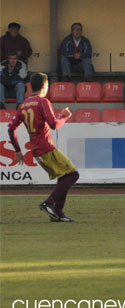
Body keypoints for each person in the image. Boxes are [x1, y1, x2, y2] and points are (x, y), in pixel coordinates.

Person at [7, 72, 79, 222]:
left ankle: (58, 213)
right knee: (73, 175)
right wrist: (64, 116)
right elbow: (54, 125)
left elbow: (10, 128)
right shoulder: (43, 102)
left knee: (64, 176)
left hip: (35, 149)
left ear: (30, 87)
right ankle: (49, 203)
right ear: (45, 86)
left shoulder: (23, 105)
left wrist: (18, 150)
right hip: (45, 147)